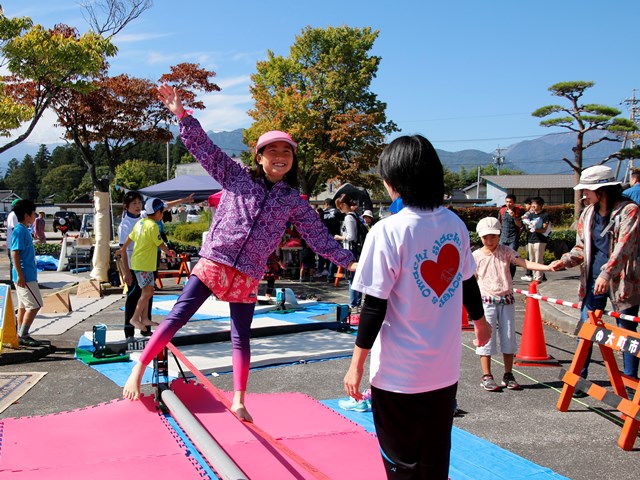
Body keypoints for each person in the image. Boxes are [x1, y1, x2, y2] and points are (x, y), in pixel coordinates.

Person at [122, 84, 356, 423]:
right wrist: (182, 115)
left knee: (240, 335)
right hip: (216, 260)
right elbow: (206, 150)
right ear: (259, 156)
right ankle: (138, 371)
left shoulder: (293, 200)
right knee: (177, 316)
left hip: (248, 271)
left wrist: (349, 261)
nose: (279, 156)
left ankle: (240, 399)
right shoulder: (236, 175)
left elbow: (320, 238)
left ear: (292, 160)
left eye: (286, 152)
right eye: (271, 150)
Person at [343, 134, 491, 479]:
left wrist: (355, 366)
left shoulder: (387, 231)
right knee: (435, 461)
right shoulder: (455, 225)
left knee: (402, 465)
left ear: (394, 182)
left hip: (398, 376)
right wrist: (481, 322)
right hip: (443, 371)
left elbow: (374, 306)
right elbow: (468, 281)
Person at [550, 165, 639, 392]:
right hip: (591, 278)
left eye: (587, 190)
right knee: (586, 327)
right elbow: (581, 248)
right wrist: (565, 260)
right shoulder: (588, 213)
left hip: (623, 280)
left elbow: (624, 246)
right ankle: (580, 376)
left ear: (602, 189)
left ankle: (630, 381)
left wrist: (607, 273)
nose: (583, 195)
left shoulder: (629, 211)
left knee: (626, 330)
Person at [474, 217, 552, 392]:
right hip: (487, 302)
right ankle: (486, 375)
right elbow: (470, 279)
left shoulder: (506, 251)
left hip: (507, 300)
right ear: (480, 237)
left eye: (493, 236)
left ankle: (508, 373)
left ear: (499, 235)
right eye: (486, 237)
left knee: (509, 337)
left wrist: (546, 268)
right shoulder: (476, 256)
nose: (489, 240)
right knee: (486, 338)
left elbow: (523, 262)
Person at [118, 198, 174, 334]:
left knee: (147, 292)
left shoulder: (140, 223)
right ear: (157, 212)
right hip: (144, 264)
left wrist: (123, 248)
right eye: (162, 212)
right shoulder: (153, 226)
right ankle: (135, 318)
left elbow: (130, 237)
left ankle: (144, 318)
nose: (162, 215)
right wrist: (169, 252)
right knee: (147, 292)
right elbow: (159, 242)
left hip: (139, 263)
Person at [10, 200, 48, 347]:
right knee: (35, 304)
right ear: (27, 216)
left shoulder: (23, 230)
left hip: (25, 275)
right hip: (25, 276)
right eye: (33, 213)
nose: (35, 216)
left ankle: (20, 334)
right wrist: (20, 274)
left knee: (23, 306)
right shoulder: (20, 231)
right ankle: (23, 334)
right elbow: (15, 253)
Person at [117, 191, 153, 338]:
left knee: (148, 295)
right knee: (133, 297)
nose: (138, 206)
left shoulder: (144, 217)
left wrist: (184, 200)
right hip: (133, 265)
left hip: (147, 264)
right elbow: (122, 251)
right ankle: (129, 331)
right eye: (134, 204)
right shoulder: (125, 225)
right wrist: (126, 272)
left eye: (139, 203)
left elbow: (163, 206)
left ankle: (145, 329)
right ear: (126, 206)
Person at [334, 193, 364, 310]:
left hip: (351, 250)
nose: (339, 209)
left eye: (340, 206)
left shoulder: (349, 217)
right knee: (356, 277)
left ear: (344, 205)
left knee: (352, 278)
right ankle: (356, 303)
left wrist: (340, 237)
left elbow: (351, 236)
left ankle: (354, 304)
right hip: (355, 250)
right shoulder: (355, 215)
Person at [521, 196, 550, 282]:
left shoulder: (545, 215)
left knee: (538, 259)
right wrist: (526, 222)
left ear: (540, 205)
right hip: (531, 239)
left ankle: (538, 278)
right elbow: (527, 228)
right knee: (532, 260)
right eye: (532, 204)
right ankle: (534, 277)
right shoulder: (531, 214)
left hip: (540, 240)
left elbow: (544, 228)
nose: (533, 206)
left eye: (535, 204)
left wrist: (536, 229)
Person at [498, 194, 523, 278]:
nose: (508, 204)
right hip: (503, 237)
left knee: (512, 259)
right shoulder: (502, 210)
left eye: (510, 202)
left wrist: (514, 217)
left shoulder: (519, 211)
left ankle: (511, 277)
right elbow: (499, 223)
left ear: (514, 203)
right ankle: (503, 276)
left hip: (513, 238)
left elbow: (520, 225)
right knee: (502, 258)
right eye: (507, 202)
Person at [318, 198, 344, 281]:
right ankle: (330, 275)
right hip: (335, 236)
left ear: (326, 204)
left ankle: (321, 271)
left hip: (324, 237)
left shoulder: (322, 213)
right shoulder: (337, 212)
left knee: (325, 255)